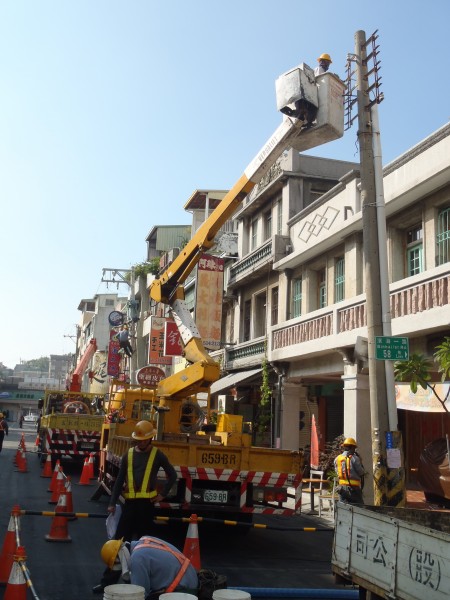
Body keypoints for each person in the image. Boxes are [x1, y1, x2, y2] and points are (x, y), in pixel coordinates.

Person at [107, 420, 177, 542]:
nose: (142, 442)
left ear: (150, 438)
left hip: (146, 505)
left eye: (145, 440)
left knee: (144, 540)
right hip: (129, 504)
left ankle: (140, 559)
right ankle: (122, 559)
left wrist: (162, 495)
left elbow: (173, 475)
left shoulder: (157, 454)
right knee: (122, 539)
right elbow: (119, 480)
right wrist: (112, 503)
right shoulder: (127, 455)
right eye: (139, 440)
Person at [95, 536, 198, 598]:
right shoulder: (143, 541)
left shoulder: (137, 559)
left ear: (119, 559)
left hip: (184, 590)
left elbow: (140, 594)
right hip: (190, 578)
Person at [334, 437, 365, 504]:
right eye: (354, 448)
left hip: (341, 488)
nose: (355, 450)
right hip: (353, 489)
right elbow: (361, 472)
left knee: (344, 508)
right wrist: (360, 460)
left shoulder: (337, 458)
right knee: (360, 508)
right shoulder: (354, 458)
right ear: (352, 447)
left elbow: (337, 472)